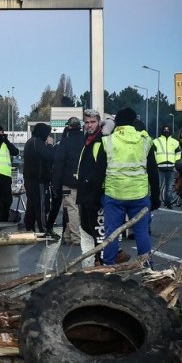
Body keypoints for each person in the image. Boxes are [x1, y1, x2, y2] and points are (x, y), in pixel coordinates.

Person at [95, 108, 160, 266]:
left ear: (117, 123)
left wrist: (98, 196)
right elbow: (153, 171)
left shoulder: (108, 141)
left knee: (112, 233)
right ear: (133, 122)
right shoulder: (145, 141)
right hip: (139, 195)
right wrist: (156, 197)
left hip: (114, 195)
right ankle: (147, 269)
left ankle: (109, 268)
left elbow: (99, 173)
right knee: (142, 233)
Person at [75, 110, 104, 267]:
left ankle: (101, 260)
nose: (89, 125)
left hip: (95, 193)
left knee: (98, 229)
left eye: (92, 122)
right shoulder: (87, 140)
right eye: (87, 122)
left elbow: (100, 168)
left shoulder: (102, 139)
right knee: (87, 227)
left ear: (98, 122)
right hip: (84, 191)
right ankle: (95, 259)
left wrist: (95, 189)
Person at [50, 117, 85, 245]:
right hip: (83, 181)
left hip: (68, 182)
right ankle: (67, 236)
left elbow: (58, 164)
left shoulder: (65, 142)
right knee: (77, 209)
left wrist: (55, 184)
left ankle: (75, 238)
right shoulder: (86, 141)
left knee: (70, 209)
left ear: (68, 127)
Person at [23, 122, 55, 235]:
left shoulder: (31, 142)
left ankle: (29, 227)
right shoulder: (38, 142)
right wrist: (50, 145)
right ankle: (44, 229)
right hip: (38, 180)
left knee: (32, 205)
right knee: (42, 206)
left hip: (30, 179)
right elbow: (49, 157)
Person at [153, 125, 181, 209]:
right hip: (159, 167)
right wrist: (154, 165)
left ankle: (168, 203)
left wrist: (176, 164)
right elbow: (153, 154)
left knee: (169, 188)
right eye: (164, 129)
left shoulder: (175, 142)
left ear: (170, 131)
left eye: (168, 130)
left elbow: (178, 153)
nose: (166, 131)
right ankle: (155, 202)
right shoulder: (155, 141)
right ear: (161, 130)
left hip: (171, 167)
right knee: (157, 186)